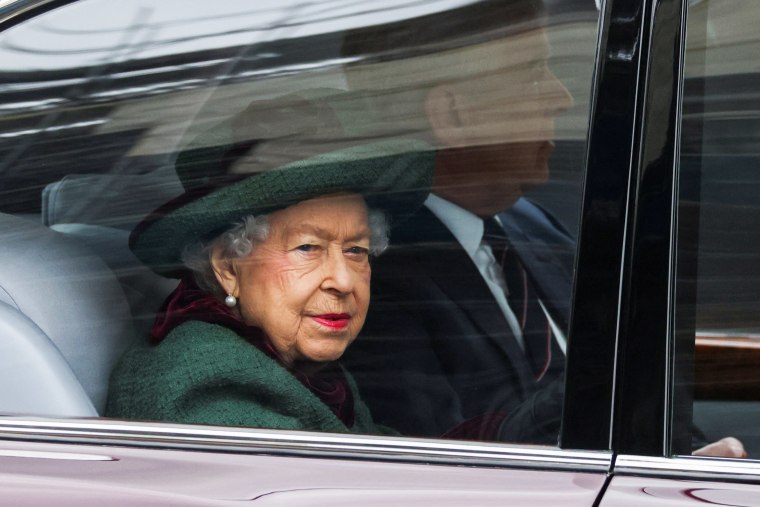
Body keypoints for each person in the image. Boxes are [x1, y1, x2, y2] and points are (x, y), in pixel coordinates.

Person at [339, 0, 747, 457]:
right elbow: (448, 462)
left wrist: (693, 458)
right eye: (535, 73)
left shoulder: (526, 222)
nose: (562, 96)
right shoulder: (372, 274)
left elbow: (634, 398)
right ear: (453, 115)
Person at [105, 91, 434, 434]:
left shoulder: (290, 365)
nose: (343, 280)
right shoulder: (209, 382)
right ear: (229, 266)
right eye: (308, 248)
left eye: (356, 250)